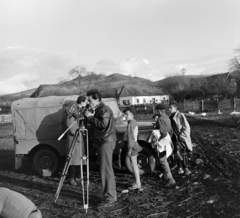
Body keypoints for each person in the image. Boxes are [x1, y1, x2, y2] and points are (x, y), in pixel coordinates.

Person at [85, 90, 117, 207]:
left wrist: (90, 117)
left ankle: (110, 197)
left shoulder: (104, 110)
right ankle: (110, 194)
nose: (89, 102)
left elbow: (103, 125)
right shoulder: (101, 109)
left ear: (97, 99)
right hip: (103, 141)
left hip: (105, 142)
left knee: (106, 169)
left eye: (90, 100)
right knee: (106, 168)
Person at [65, 95, 88, 186]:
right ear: (81, 102)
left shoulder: (79, 111)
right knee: (74, 159)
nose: (86, 104)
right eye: (85, 102)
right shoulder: (72, 111)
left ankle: (77, 176)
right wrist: (77, 133)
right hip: (74, 138)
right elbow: (70, 126)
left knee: (80, 159)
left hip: (79, 137)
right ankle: (71, 178)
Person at [154, 103, 176, 187]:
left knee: (162, 160)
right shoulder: (167, 118)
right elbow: (170, 130)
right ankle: (166, 176)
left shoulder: (160, 119)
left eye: (156, 110)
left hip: (163, 141)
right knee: (164, 159)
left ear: (159, 111)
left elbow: (163, 132)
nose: (155, 112)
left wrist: (158, 140)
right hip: (168, 140)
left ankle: (171, 179)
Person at [169, 101, 192, 175]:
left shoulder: (180, 115)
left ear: (175, 108)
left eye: (171, 107)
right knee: (176, 152)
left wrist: (182, 136)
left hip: (180, 137)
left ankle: (184, 168)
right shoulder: (170, 117)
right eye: (169, 108)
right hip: (173, 137)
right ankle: (180, 167)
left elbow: (186, 127)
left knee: (179, 152)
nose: (169, 109)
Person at [123, 107, 142, 190]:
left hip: (132, 146)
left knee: (134, 165)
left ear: (132, 115)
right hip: (133, 145)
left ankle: (138, 183)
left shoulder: (131, 124)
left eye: (127, 114)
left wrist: (129, 149)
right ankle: (137, 182)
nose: (125, 116)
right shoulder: (133, 122)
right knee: (133, 165)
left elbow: (131, 138)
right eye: (125, 114)